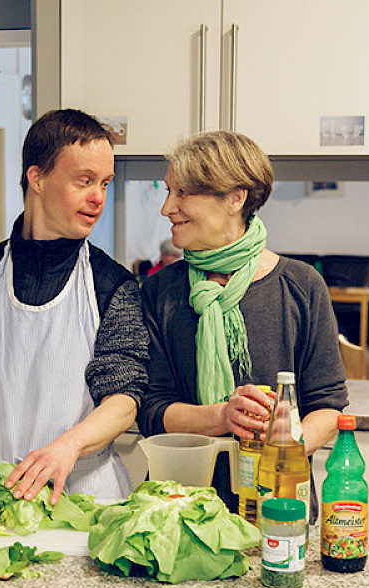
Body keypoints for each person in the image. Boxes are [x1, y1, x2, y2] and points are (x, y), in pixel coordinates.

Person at [0, 109, 149, 503]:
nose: (98, 197)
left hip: (82, 498)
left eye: (105, 183)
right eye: (84, 181)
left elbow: (124, 399)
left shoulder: (112, 285)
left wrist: (68, 446)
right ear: (38, 178)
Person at [138, 131, 348, 516]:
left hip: (278, 510)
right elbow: (151, 409)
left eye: (183, 193)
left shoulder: (301, 286)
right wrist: (221, 416)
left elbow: (328, 408)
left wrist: (283, 446)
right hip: (178, 512)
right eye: (168, 191)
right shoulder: (159, 290)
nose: (167, 208)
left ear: (236, 198)